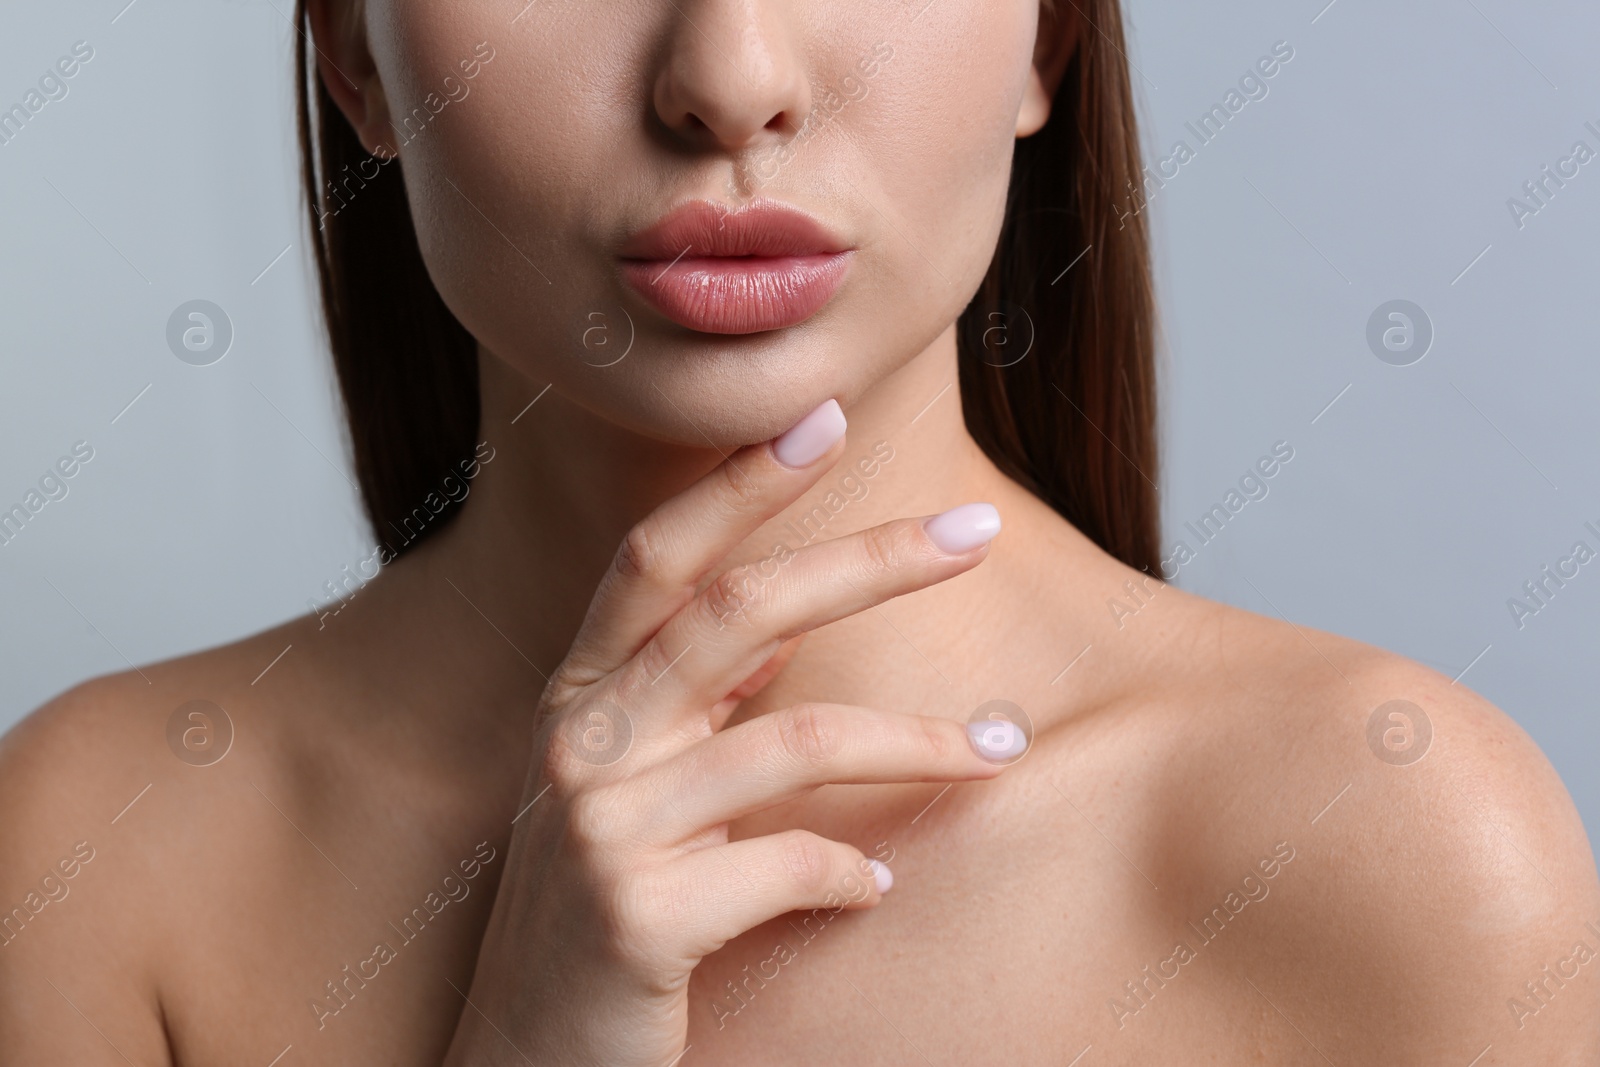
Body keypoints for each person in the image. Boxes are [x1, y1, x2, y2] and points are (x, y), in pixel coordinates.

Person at [3, 0, 1597, 1062]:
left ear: (1044, 39)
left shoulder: (1389, 844)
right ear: (357, 56)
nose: (731, 78)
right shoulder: (97, 859)